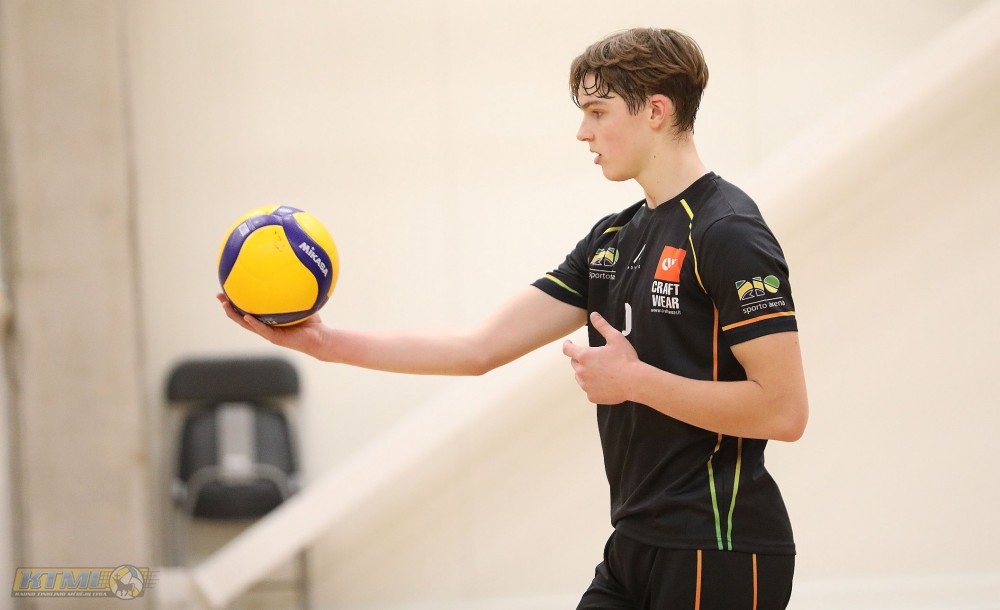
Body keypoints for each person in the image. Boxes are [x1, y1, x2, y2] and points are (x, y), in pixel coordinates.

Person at [219, 27, 807, 610]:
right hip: (635, 542)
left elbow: (783, 410)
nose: (583, 132)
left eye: (598, 112)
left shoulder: (727, 231)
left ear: (656, 111)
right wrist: (321, 341)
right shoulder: (613, 238)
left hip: (718, 543)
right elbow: (477, 349)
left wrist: (635, 382)